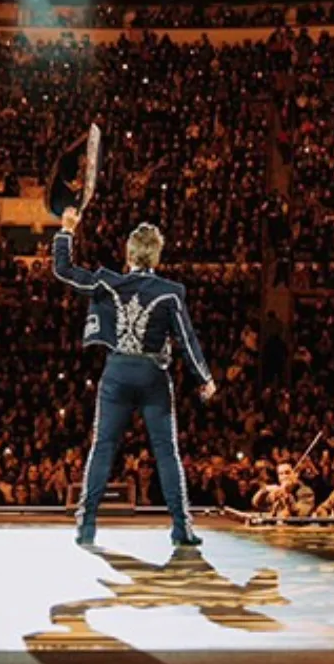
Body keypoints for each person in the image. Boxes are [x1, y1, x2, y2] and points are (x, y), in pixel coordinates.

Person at [53, 206, 216, 547]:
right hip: (153, 374)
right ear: (157, 255)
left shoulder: (109, 281)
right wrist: (204, 378)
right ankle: (181, 527)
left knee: (103, 448)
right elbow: (187, 339)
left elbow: (64, 270)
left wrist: (67, 230)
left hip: (117, 372)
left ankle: (86, 526)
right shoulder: (170, 292)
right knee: (166, 451)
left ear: (128, 254)